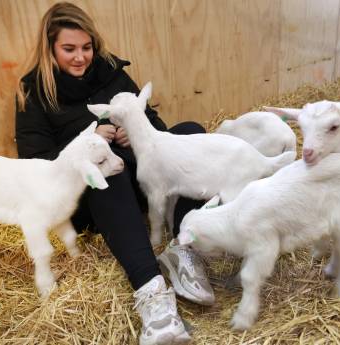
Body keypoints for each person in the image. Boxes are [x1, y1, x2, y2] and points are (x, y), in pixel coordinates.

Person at [15, 2, 213, 344]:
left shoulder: (111, 71)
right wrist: (86, 141)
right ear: (49, 49)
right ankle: (152, 292)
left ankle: (184, 247)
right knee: (104, 169)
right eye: (69, 49)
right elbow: (35, 164)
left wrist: (136, 134)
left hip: (138, 178)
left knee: (190, 132)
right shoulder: (35, 91)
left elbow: (157, 128)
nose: (80, 57)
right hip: (91, 198)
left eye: (86, 47)